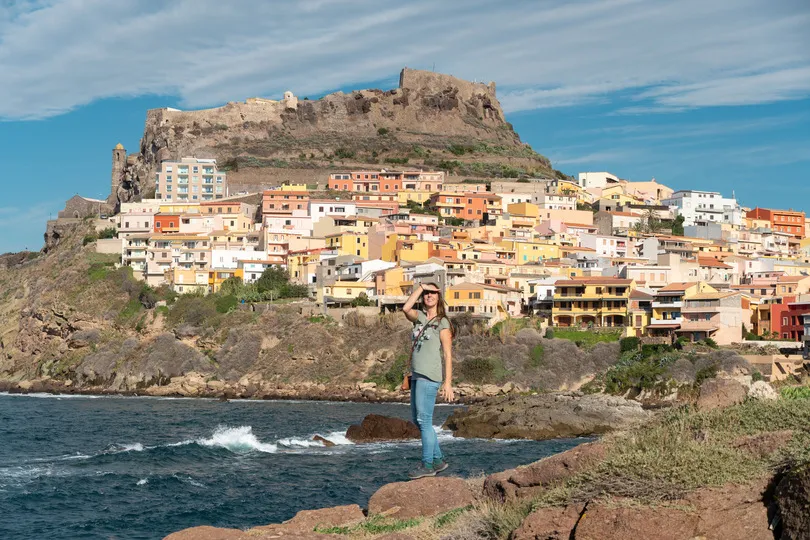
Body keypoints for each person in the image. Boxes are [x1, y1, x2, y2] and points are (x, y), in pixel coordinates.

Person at [402, 280, 455, 479]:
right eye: (427, 293)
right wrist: (420, 288)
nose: (429, 296)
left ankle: (427, 464)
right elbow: (406, 307)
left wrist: (448, 383)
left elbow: (448, 354)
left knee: (424, 421)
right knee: (418, 421)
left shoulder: (443, 322)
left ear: (439, 297)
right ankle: (438, 460)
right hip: (416, 375)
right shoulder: (420, 317)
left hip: (430, 376)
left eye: (433, 293)